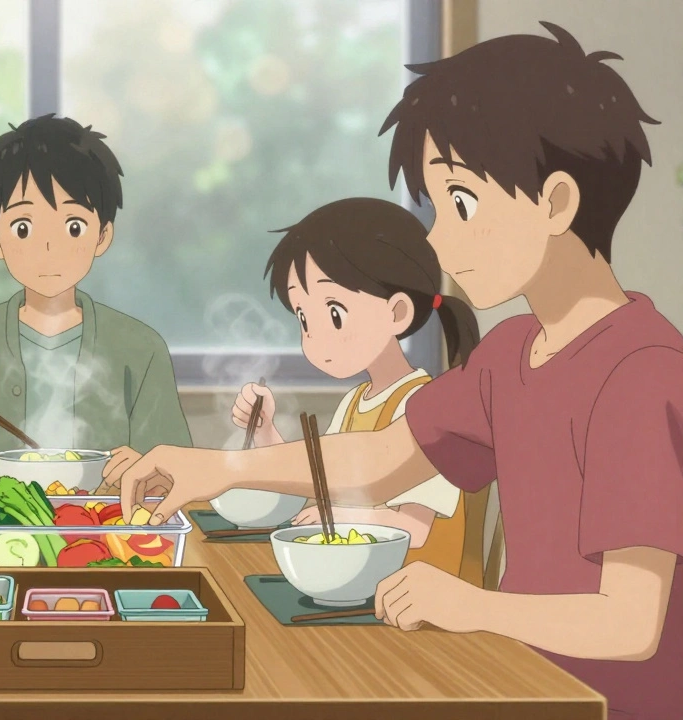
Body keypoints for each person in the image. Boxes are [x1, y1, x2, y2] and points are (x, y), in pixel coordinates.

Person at [117, 23, 681, 719]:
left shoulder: (641, 372)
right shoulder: (511, 353)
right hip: (514, 678)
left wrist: (472, 605)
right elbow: (383, 459)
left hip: (597, 704)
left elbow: (629, 623)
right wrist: (219, 469)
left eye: (462, 203)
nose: (439, 237)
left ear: (556, 202)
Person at [0, 114, 191, 488]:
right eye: (24, 227)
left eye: (73, 227)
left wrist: (147, 473)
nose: (49, 247)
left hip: (104, 535)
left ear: (102, 236)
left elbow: (176, 480)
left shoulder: (141, 348)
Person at [230, 198, 479, 575]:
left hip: (417, 597)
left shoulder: (429, 408)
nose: (313, 338)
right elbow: (316, 482)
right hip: (364, 581)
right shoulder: (355, 402)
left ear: (397, 312)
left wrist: (337, 514)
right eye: (303, 317)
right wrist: (265, 431)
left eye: (334, 313)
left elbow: (415, 529)